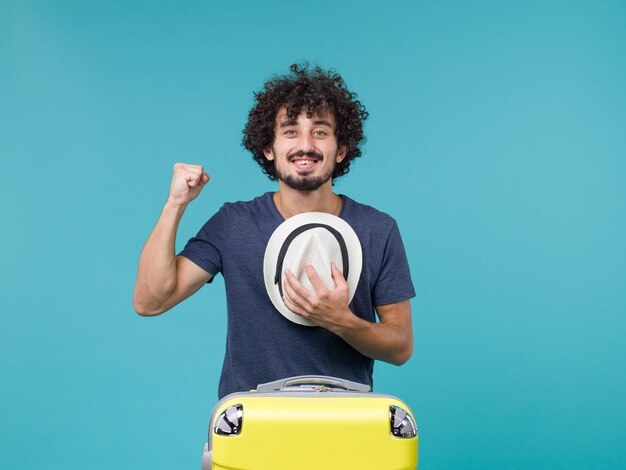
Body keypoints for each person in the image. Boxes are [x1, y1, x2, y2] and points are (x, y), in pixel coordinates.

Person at [133, 64, 415, 399]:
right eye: (291, 131)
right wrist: (175, 205)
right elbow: (150, 301)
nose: (305, 145)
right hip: (253, 428)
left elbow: (400, 347)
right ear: (269, 148)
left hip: (343, 426)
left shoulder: (377, 229)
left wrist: (340, 320)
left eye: (321, 132)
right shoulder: (234, 224)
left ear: (341, 150)